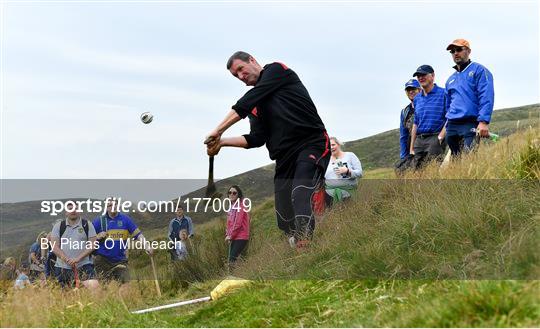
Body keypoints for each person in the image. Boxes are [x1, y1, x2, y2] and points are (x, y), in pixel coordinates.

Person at [205, 51, 330, 250]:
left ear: (252, 60)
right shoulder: (255, 106)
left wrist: (218, 130)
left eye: (240, 69)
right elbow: (257, 138)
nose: (240, 76)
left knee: (300, 193)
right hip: (284, 158)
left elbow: (246, 102)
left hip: (311, 143)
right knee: (283, 216)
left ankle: (306, 247)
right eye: (235, 76)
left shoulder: (277, 71)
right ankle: (297, 242)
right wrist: (221, 142)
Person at [444, 38, 495, 156]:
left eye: (459, 49)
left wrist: (483, 121)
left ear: (468, 51)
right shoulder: (450, 79)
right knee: (455, 162)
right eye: (452, 51)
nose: (455, 53)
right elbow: (448, 104)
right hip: (452, 125)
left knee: (469, 158)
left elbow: (486, 96)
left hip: (470, 122)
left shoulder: (479, 70)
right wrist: (447, 124)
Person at [92, 198, 153, 283]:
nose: (112, 207)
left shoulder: (125, 219)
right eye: (110, 205)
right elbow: (88, 238)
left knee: (126, 285)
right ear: (106, 208)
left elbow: (138, 235)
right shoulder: (99, 221)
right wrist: (97, 236)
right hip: (103, 260)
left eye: (114, 205)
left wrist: (147, 246)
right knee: (104, 289)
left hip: (120, 260)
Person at [50, 202, 99, 289]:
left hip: (84, 265)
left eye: (75, 209)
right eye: (70, 209)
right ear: (66, 212)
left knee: (93, 288)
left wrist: (78, 258)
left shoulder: (87, 225)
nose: (73, 211)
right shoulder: (58, 226)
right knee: (65, 295)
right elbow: (54, 247)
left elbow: (93, 244)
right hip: (62, 267)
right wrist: (66, 259)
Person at [409, 65, 447, 169]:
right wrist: (411, 147)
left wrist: (440, 137)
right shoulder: (417, 99)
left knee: (433, 171)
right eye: (418, 76)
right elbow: (416, 123)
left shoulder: (444, 93)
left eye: (423, 75)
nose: (420, 78)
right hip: (419, 141)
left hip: (435, 138)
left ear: (433, 75)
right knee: (417, 173)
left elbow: (450, 117)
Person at [324, 137, 362, 205]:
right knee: (332, 215)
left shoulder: (350, 156)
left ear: (338, 144)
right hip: (329, 196)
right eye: (329, 146)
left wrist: (347, 171)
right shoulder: (325, 160)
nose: (331, 147)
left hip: (348, 195)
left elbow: (359, 173)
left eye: (333, 145)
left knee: (350, 214)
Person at [395, 79, 422, 174]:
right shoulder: (405, 111)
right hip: (411, 147)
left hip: (425, 143)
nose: (410, 92)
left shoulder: (426, 105)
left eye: (413, 89)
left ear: (420, 90)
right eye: (408, 90)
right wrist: (403, 156)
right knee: (402, 170)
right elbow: (403, 136)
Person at [225, 185, 250, 265]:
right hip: (235, 237)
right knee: (233, 260)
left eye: (234, 193)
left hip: (241, 237)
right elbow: (229, 224)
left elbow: (237, 224)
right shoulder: (232, 207)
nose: (231, 194)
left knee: (232, 260)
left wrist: (230, 236)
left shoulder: (240, 206)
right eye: (230, 192)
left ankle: (232, 276)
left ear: (238, 194)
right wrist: (228, 234)